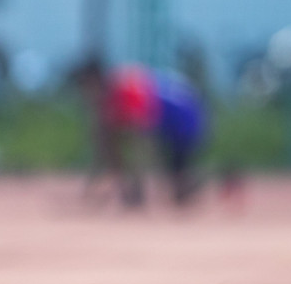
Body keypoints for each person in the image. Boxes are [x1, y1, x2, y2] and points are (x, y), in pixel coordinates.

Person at [74, 59, 209, 207]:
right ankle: (173, 184)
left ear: (94, 81)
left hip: (185, 120)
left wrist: (134, 181)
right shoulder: (112, 92)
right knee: (112, 137)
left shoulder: (122, 90)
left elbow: (141, 137)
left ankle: (153, 187)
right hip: (180, 118)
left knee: (133, 140)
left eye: (85, 86)